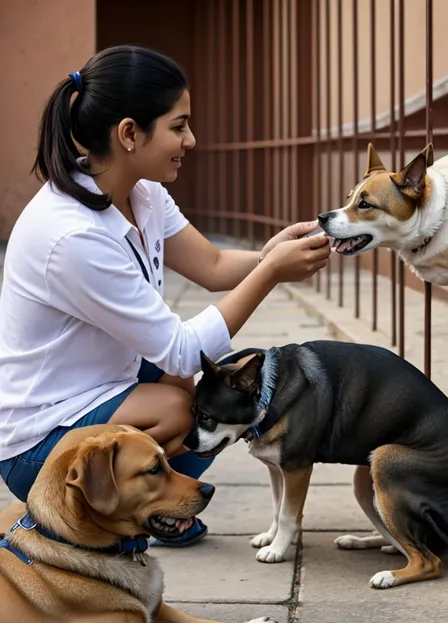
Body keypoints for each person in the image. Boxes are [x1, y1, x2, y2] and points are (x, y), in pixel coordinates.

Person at [0, 45, 330, 546]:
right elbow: (178, 346)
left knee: (196, 391)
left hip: (102, 387)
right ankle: (119, 511)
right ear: (130, 133)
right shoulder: (71, 236)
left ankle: (158, 503)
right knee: (179, 409)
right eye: (179, 126)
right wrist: (270, 274)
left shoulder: (141, 190)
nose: (191, 140)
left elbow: (213, 266)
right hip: (37, 445)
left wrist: (274, 254)